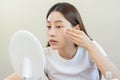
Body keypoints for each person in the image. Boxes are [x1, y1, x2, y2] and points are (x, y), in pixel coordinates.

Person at [5, 2, 120, 80]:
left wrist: (90, 45)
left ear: (77, 29)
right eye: (49, 27)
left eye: (59, 26)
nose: (51, 33)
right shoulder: (44, 56)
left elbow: (115, 77)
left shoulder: (91, 49)